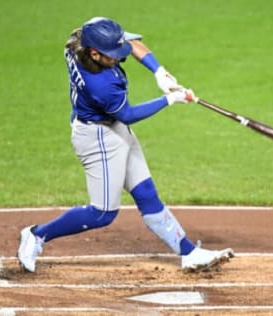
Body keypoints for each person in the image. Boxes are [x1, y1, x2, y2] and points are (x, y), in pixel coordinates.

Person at [17, 17, 233, 273]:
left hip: (112, 129)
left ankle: (189, 253)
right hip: (99, 138)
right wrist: (170, 99)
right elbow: (128, 115)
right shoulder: (102, 85)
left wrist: (158, 71)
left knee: (146, 193)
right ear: (95, 54)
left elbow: (131, 43)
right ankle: (37, 235)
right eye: (112, 55)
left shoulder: (79, 39)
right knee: (102, 214)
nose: (119, 58)